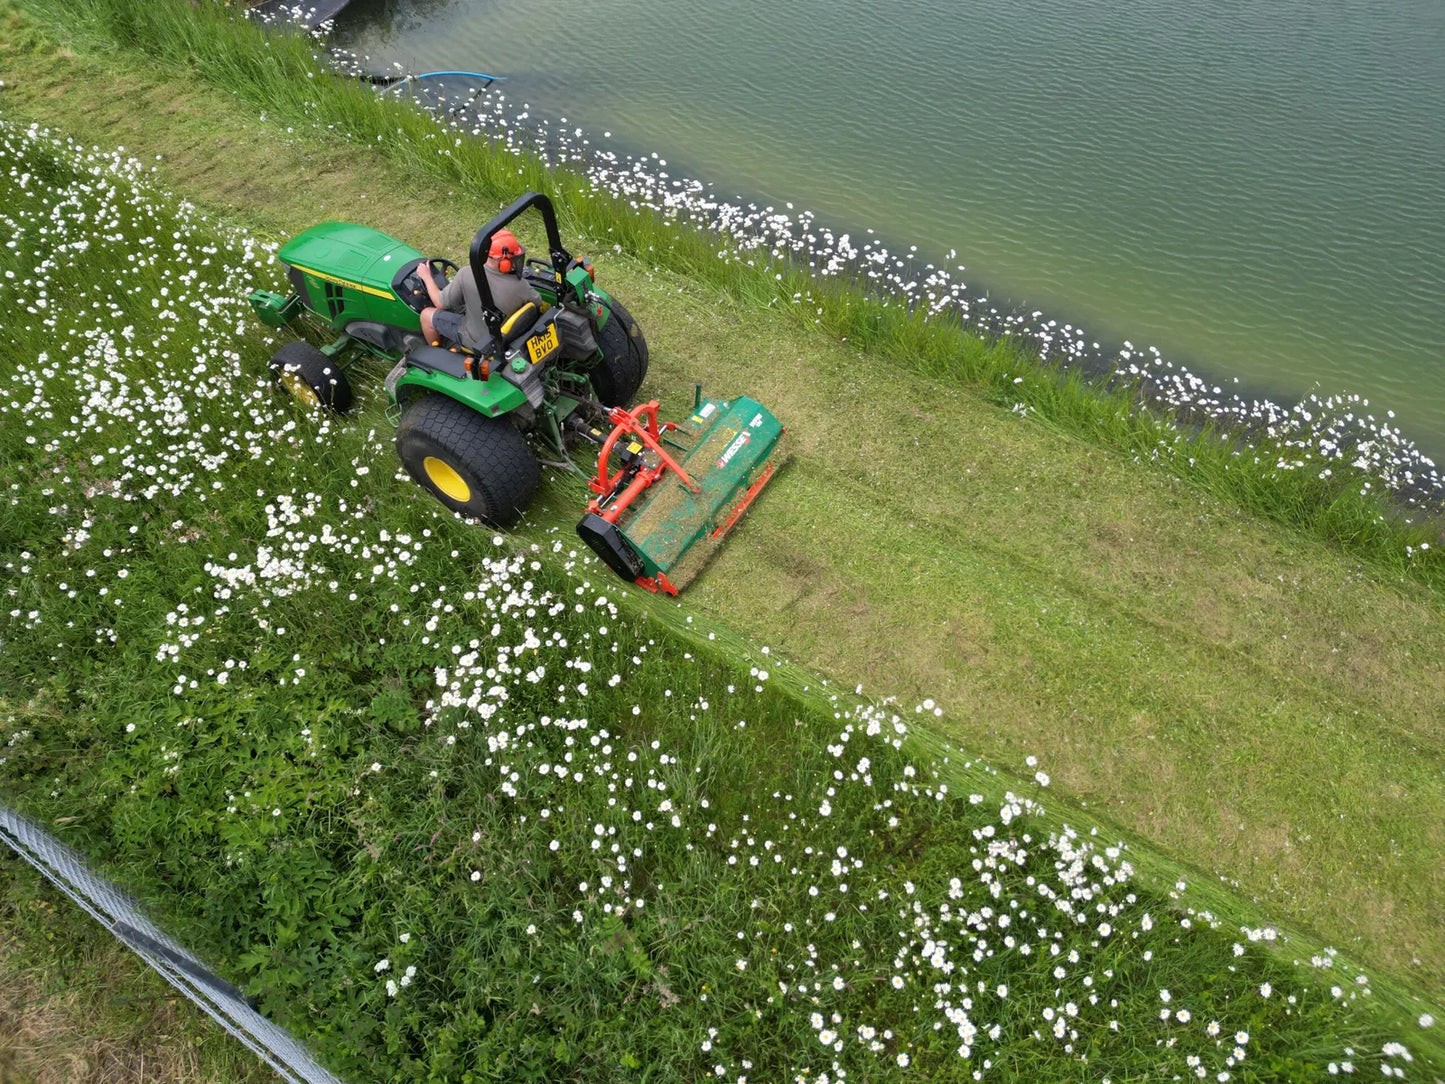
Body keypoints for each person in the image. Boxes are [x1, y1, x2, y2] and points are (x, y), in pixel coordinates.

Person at [417, 228, 541, 351]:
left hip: (477, 341)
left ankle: (436, 352)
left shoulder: (466, 274)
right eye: (513, 257)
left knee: (426, 315)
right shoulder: (521, 285)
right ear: (504, 262)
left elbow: (440, 303)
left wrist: (427, 277)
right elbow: (538, 302)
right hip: (508, 336)